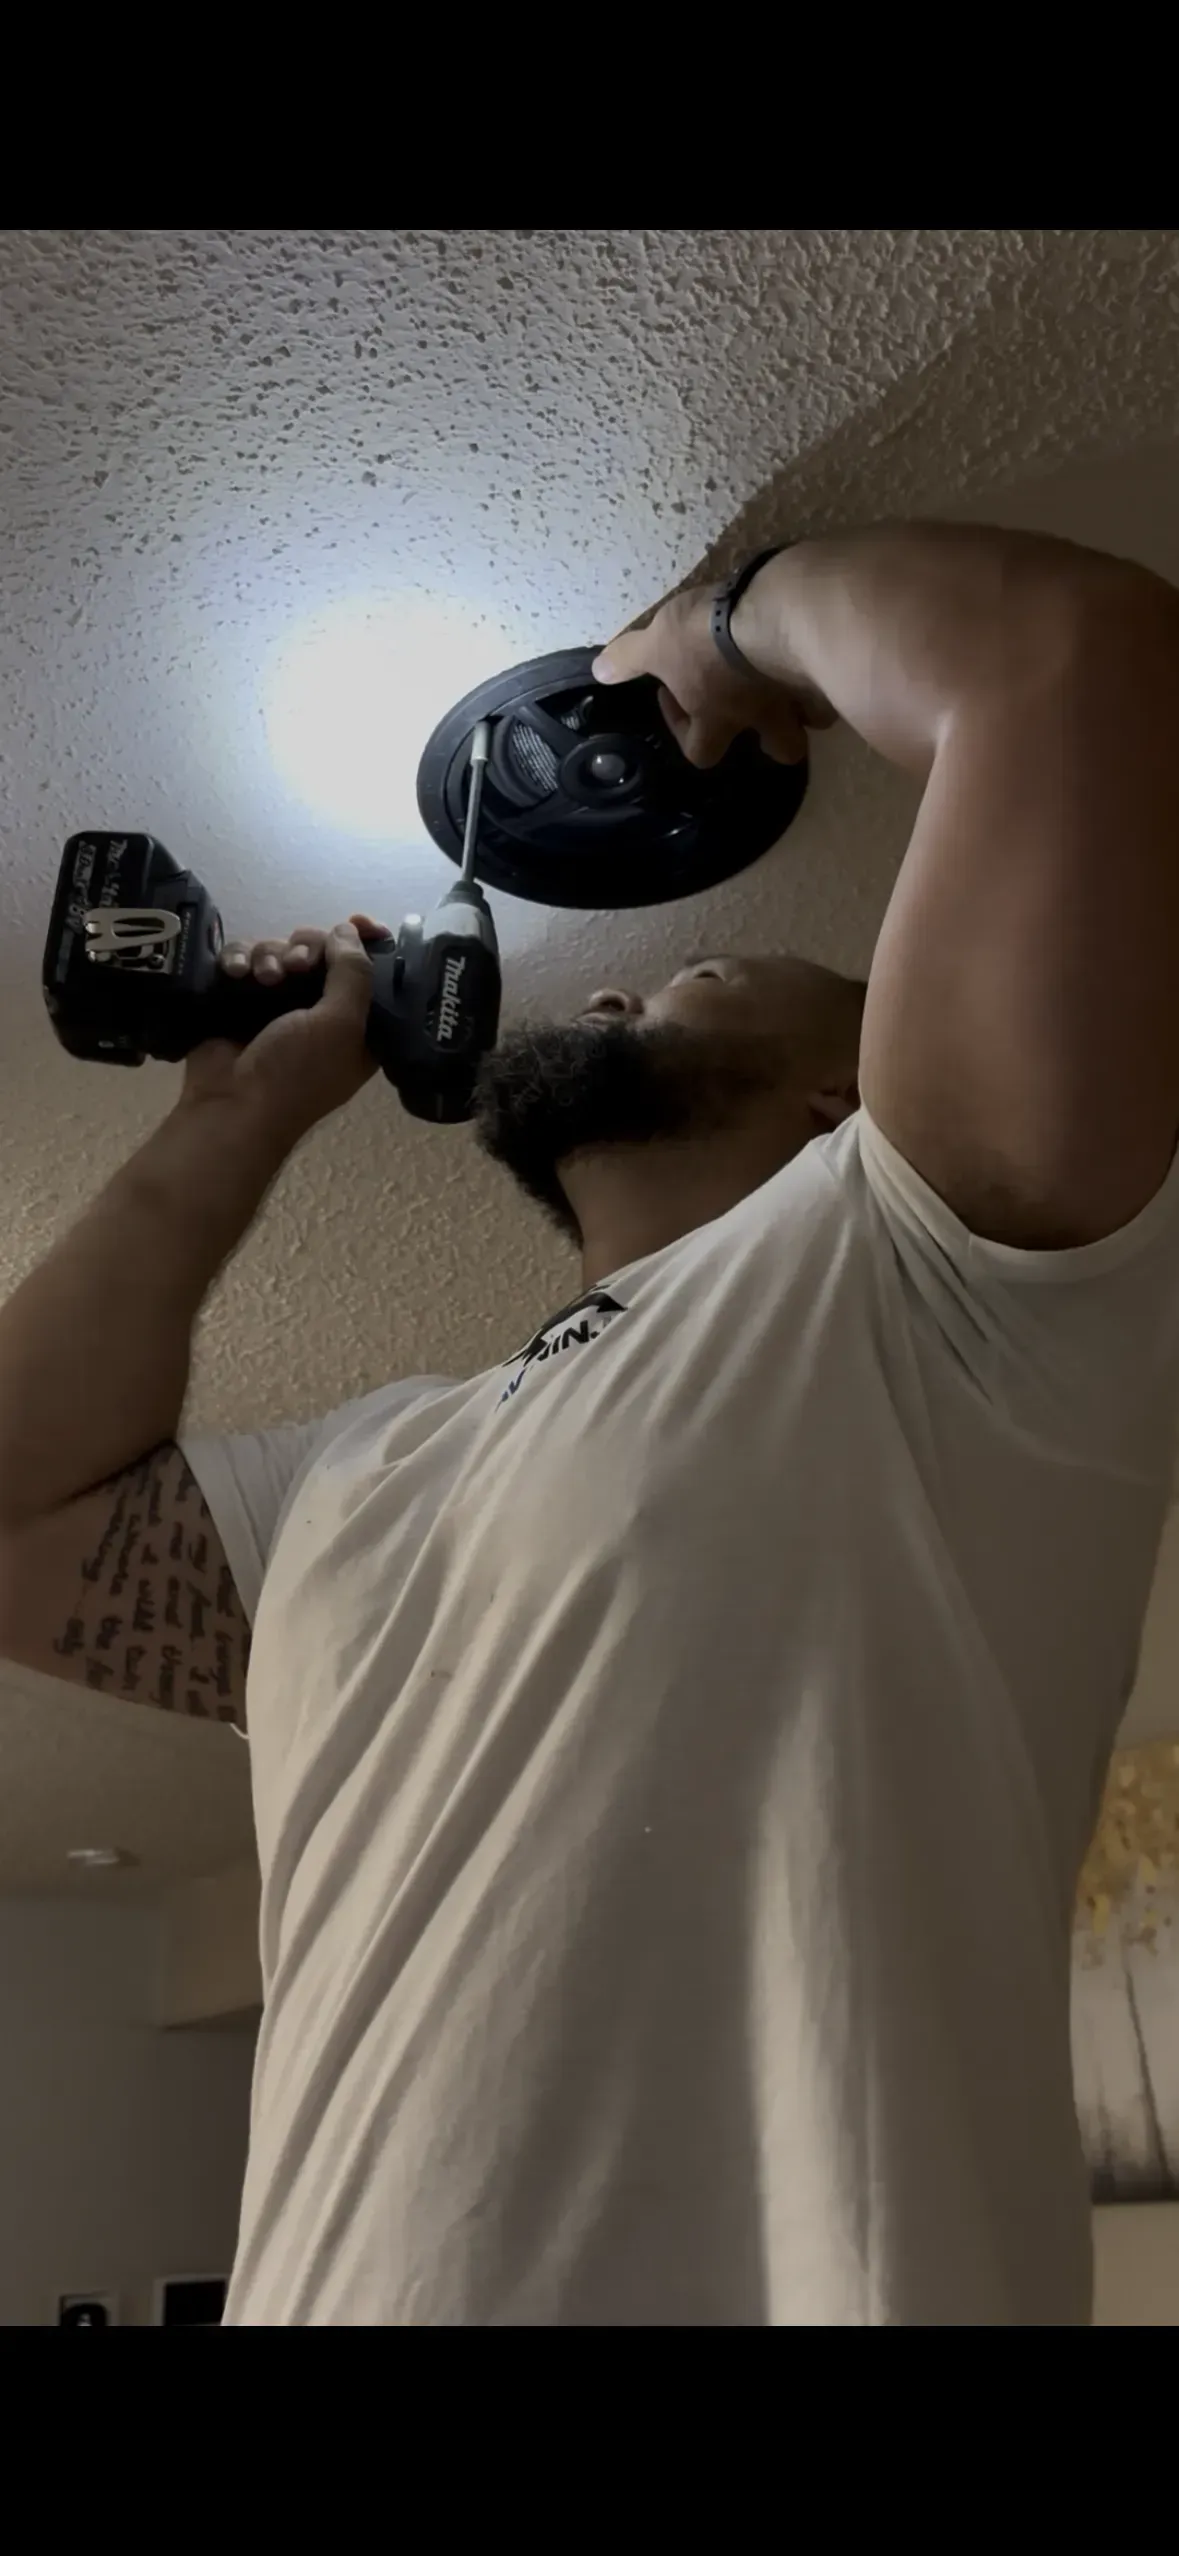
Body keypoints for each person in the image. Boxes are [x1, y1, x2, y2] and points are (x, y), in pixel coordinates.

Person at [2, 519, 1179, 2326]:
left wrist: (720, 641)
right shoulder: (369, 1460)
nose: (621, 980)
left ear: (840, 1090)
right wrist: (233, 1116)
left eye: (717, 969)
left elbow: (1066, 656)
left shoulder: (927, 1280)